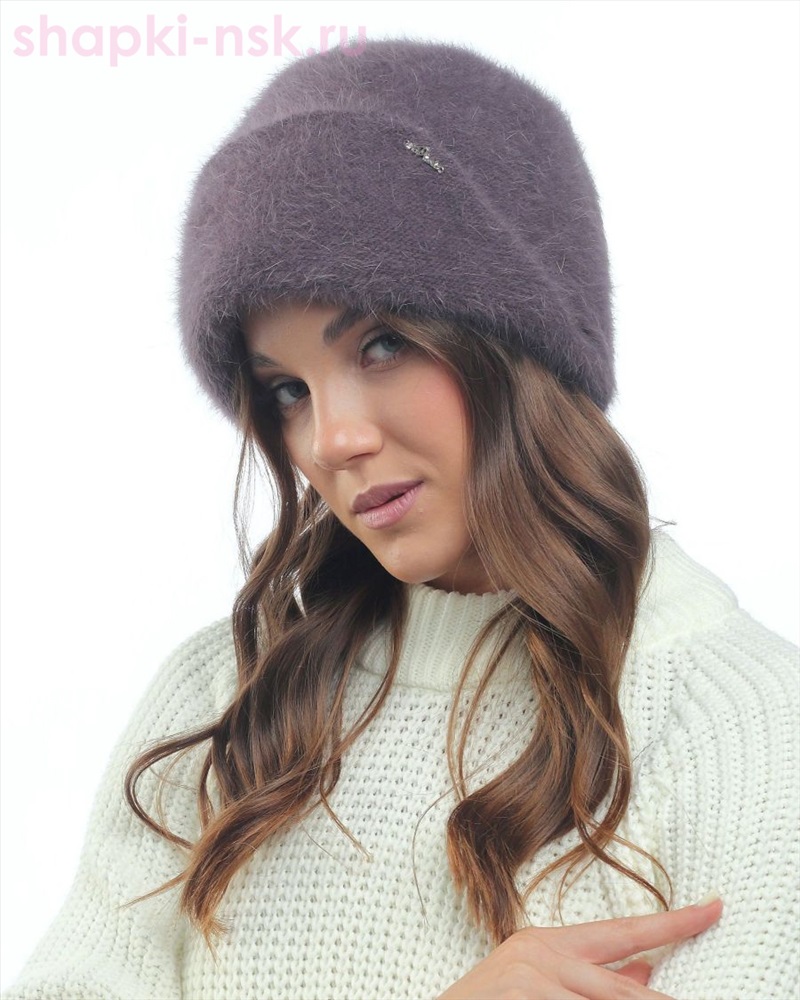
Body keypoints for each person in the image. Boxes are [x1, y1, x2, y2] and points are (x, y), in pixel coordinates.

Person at [4, 39, 798, 1000]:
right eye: (288, 390)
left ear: (523, 345)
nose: (331, 439)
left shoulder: (742, 723)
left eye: (382, 345)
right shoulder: (227, 699)